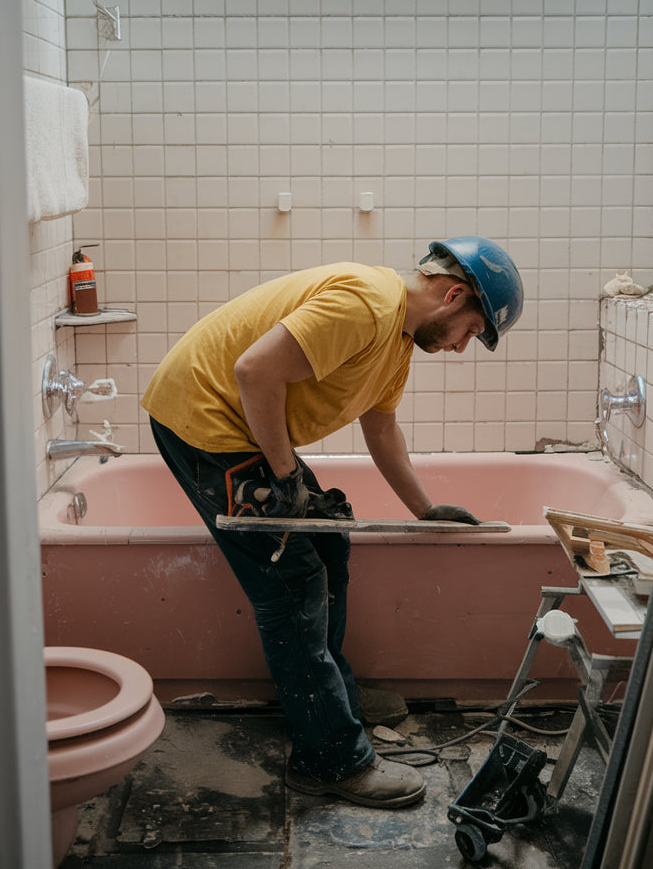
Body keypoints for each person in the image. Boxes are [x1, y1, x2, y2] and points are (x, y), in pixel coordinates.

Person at [141, 236, 524, 809]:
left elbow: (382, 429)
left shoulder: (396, 338)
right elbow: (253, 371)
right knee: (292, 583)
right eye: (472, 332)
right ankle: (329, 760)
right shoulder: (366, 304)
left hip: (240, 426)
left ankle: (332, 699)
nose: (464, 348)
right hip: (207, 424)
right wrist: (284, 476)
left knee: (328, 546)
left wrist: (424, 510)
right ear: (452, 295)